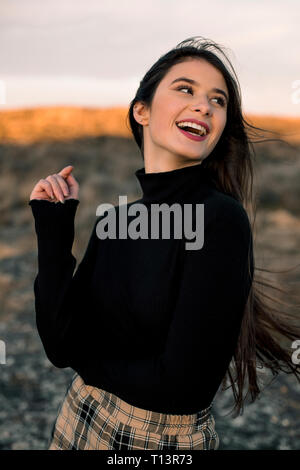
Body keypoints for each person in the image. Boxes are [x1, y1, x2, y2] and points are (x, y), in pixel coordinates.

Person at [28, 36, 300, 451]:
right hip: (79, 419)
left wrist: (86, 361)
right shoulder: (115, 222)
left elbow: (181, 388)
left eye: (218, 100)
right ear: (142, 110)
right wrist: (54, 228)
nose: (204, 106)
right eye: (186, 89)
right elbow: (59, 341)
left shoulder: (220, 221)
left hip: (157, 443)